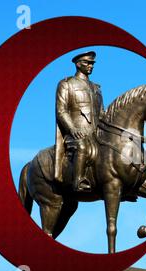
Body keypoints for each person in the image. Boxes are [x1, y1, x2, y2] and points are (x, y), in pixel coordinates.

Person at [54, 51, 104, 191]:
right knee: (82, 146)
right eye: (87, 63)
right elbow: (61, 111)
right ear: (77, 64)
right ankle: (79, 181)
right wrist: (73, 129)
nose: (90, 66)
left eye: (92, 63)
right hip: (75, 135)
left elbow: (102, 114)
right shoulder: (66, 84)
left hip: (96, 135)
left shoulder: (96, 88)